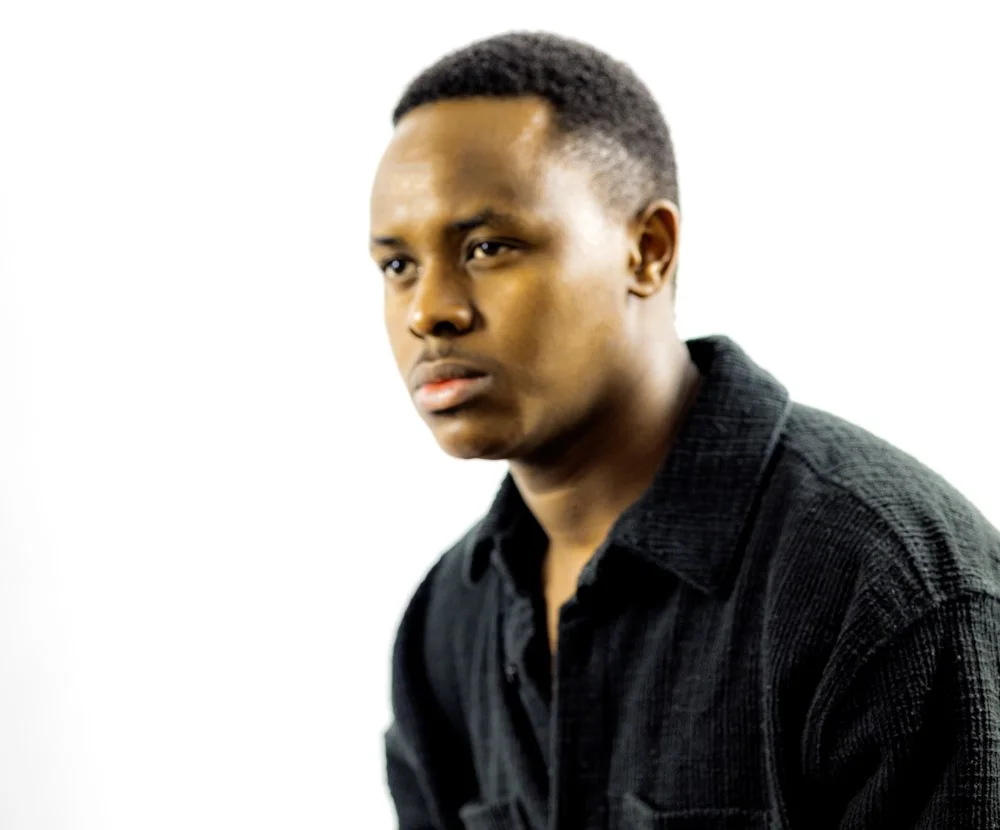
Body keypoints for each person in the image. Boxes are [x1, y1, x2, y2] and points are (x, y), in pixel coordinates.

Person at [369, 30, 1000, 830]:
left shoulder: (879, 582)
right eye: (398, 267)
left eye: (489, 247)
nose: (429, 310)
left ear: (648, 250)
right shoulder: (446, 626)